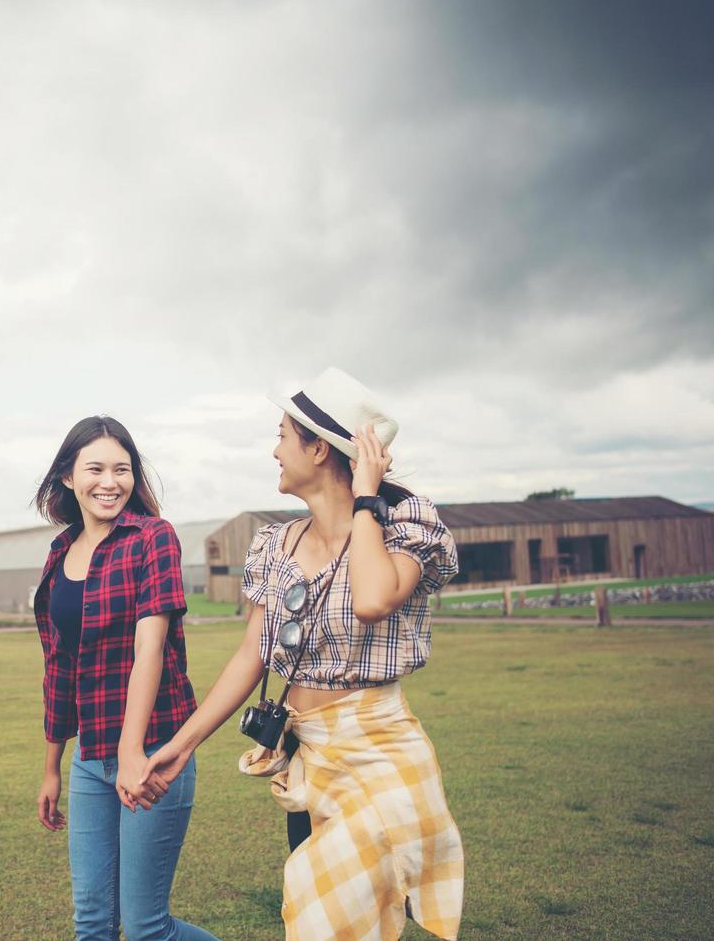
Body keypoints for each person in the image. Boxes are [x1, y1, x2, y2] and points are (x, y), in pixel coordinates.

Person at [140, 369, 464, 940]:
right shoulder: (274, 544)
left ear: (319, 448)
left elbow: (370, 600)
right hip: (307, 758)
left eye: (283, 435)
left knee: (324, 917)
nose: (275, 450)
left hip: (378, 754)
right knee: (322, 912)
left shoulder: (407, 526)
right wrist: (180, 746)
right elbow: (251, 655)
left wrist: (366, 497)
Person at [32, 415, 218, 941]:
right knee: (91, 923)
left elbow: (149, 649)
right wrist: (52, 767)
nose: (109, 482)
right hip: (90, 761)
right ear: (68, 477)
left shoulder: (152, 538)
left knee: (145, 930)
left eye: (122, 469)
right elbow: (58, 668)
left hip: (156, 751)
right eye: (95, 468)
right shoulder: (58, 555)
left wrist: (133, 753)